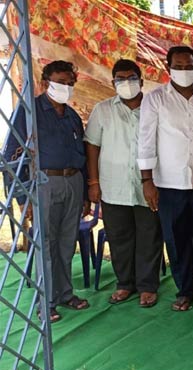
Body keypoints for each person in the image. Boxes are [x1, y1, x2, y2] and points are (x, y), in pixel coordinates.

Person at [4, 61, 91, 322]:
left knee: (66, 243)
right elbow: (12, 156)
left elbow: (82, 155)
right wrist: (22, 197)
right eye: (60, 82)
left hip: (72, 181)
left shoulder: (72, 116)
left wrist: (85, 193)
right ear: (45, 83)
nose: (66, 87)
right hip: (43, 183)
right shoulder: (28, 112)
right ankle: (47, 302)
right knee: (46, 244)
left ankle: (66, 293)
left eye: (70, 83)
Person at [137, 46, 193, 311]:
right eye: (179, 66)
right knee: (176, 237)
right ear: (168, 67)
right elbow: (146, 140)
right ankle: (184, 289)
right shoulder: (156, 99)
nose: (184, 71)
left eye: (189, 66)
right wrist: (146, 180)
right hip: (168, 184)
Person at [85, 59, 163, 308]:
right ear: (113, 82)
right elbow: (92, 146)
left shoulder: (155, 108)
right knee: (119, 237)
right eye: (120, 79)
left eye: (131, 78)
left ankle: (147, 286)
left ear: (141, 81)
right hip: (113, 184)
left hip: (148, 184)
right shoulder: (102, 110)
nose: (126, 83)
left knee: (149, 235)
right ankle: (125, 284)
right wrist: (94, 182)